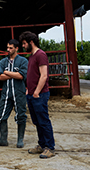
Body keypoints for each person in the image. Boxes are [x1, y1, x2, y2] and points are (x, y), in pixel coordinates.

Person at [19, 31, 56, 159]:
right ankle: (42, 145)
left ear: (31, 42)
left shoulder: (41, 55)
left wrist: (36, 92)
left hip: (39, 95)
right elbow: (32, 75)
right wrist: (29, 89)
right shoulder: (32, 56)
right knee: (37, 121)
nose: (23, 46)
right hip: (31, 94)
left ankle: (50, 147)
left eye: (24, 43)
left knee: (43, 121)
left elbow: (44, 75)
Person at [0, 39, 28, 148]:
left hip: (19, 93)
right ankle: (3, 139)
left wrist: (6, 72)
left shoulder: (23, 61)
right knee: (1, 116)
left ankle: (20, 140)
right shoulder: (3, 61)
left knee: (21, 115)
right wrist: (14, 74)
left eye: (11, 48)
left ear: (17, 48)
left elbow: (21, 76)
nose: (8, 50)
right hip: (6, 93)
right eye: (7, 47)